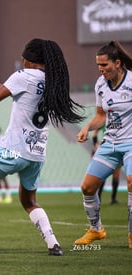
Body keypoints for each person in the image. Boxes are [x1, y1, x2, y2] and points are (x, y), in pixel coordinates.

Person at [0, 38, 85, 256]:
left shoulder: (22, 76)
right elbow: (28, 96)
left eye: (23, 60)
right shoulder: (53, 81)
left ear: (28, 60)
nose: (22, 64)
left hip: (13, 150)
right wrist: (8, 87)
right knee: (29, 201)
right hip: (37, 153)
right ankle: (54, 245)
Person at [75, 41, 132, 248]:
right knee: (87, 187)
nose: (101, 69)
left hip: (131, 143)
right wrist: (86, 128)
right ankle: (96, 230)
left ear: (117, 63)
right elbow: (101, 115)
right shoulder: (100, 84)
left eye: (105, 65)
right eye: (98, 65)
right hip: (111, 143)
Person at [93, 128, 120, 204]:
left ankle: (113, 198)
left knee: (116, 174)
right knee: (104, 173)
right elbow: (95, 132)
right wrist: (95, 143)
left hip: (118, 148)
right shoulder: (105, 120)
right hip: (107, 148)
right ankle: (99, 197)